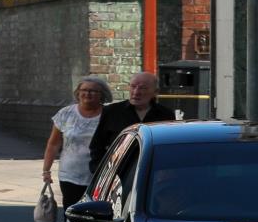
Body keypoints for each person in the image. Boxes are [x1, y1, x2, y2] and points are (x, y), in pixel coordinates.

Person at [41, 76, 110, 207]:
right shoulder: (66, 113)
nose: (87, 94)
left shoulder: (110, 113)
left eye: (93, 91)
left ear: (102, 94)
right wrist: (46, 171)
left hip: (100, 175)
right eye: (84, 90)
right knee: (72, 214)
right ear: (78, 93)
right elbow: (53, 144)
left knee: (97, 215)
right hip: (70, 175)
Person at [87, 72, 175, 167]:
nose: (136, 92)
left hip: (153, 170)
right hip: (120, 172)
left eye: (143, 88)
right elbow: (97, 146)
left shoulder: (166, 114)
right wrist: (100, 170)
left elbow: (170, 147)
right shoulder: (112, 111)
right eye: (133, 86)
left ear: (155, 92)